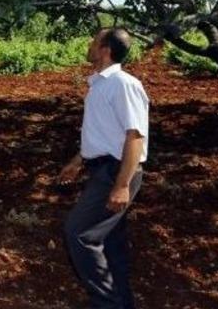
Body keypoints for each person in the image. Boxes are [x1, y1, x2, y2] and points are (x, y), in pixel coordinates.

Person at [58, 28, 149, 309]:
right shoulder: (99, 84)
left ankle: (106, 303)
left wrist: (121, 185)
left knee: (79, 233)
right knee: (110, 243)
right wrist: (78, 160)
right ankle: (122, 303)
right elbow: (106, 133)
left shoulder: (123, 84)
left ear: (105, 49)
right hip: (104, 169)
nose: (89, 44)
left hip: (117, 173)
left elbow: (135, 136)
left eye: (94, 41)